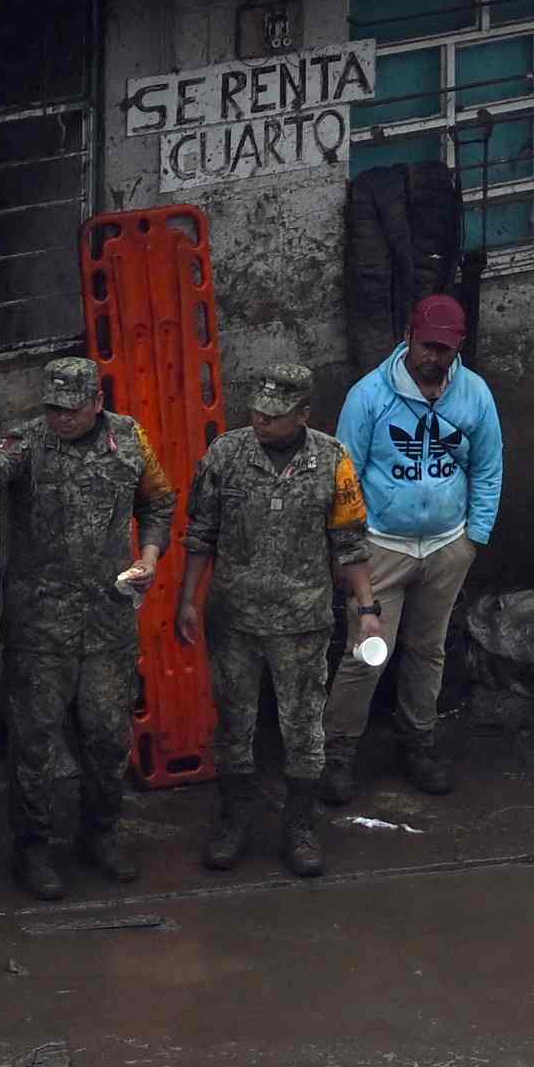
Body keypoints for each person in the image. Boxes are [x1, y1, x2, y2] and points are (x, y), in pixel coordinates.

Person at [0, 353, 170, 894]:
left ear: (97, 403)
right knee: (34, 739)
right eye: (54, 408)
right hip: (40, 626)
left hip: (107, 620)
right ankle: (33, 848)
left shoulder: (129, 440)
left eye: (72, 409)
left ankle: (100, 834)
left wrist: (150, 557)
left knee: (108, 736)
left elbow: (158, 502)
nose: (61, 418)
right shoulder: (30, 441)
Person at [331, 293, 504, 794]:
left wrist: (474, 538)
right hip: (382, 547)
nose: (434, 358)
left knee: (428, 650)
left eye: (444, 350)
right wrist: (350, 551)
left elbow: (488, 468)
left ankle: (419, 743)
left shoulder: (473, 395)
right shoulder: (369, 396)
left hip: (448, 546)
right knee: (367, 651)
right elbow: (346, 479)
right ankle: (338, 753)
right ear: (408, 336)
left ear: (458, 348)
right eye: (427, 346)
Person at [190, 365, 347, 877]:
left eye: (275, 416)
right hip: (235, 619)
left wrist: (365, 608)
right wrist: (189, 599)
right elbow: (201, 533)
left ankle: (300, 825)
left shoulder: (333, 460)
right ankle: (234, 817)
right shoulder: (225, 455)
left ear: (303, 414)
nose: (262, 422)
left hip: (303, 621)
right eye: (257, 412)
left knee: (302, 728)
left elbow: (350, 539)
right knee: (235, 722)